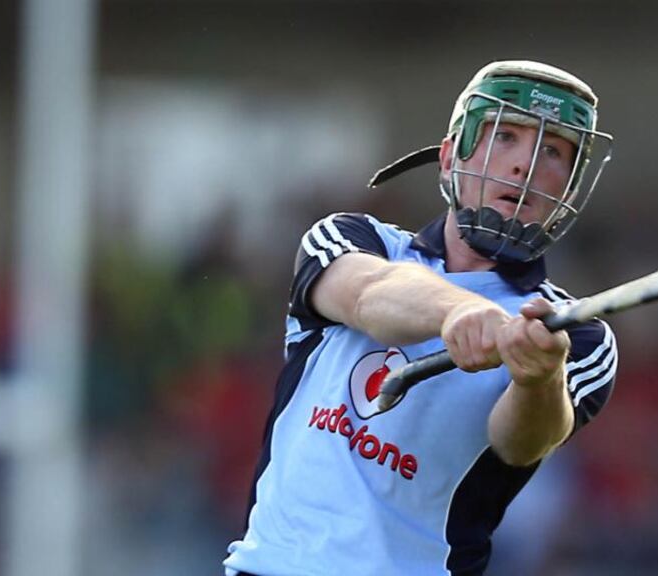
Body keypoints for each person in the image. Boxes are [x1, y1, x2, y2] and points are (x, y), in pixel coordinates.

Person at [224, 60, 618, 576]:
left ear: (567, 188)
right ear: (451, 156)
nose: (525, 165)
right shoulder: (356, 240)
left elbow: (521, 445)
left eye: (552, 151)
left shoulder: (575, 336)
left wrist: (536, 377)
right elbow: (367, 295)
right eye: (506, 137)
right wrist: (463, 312)